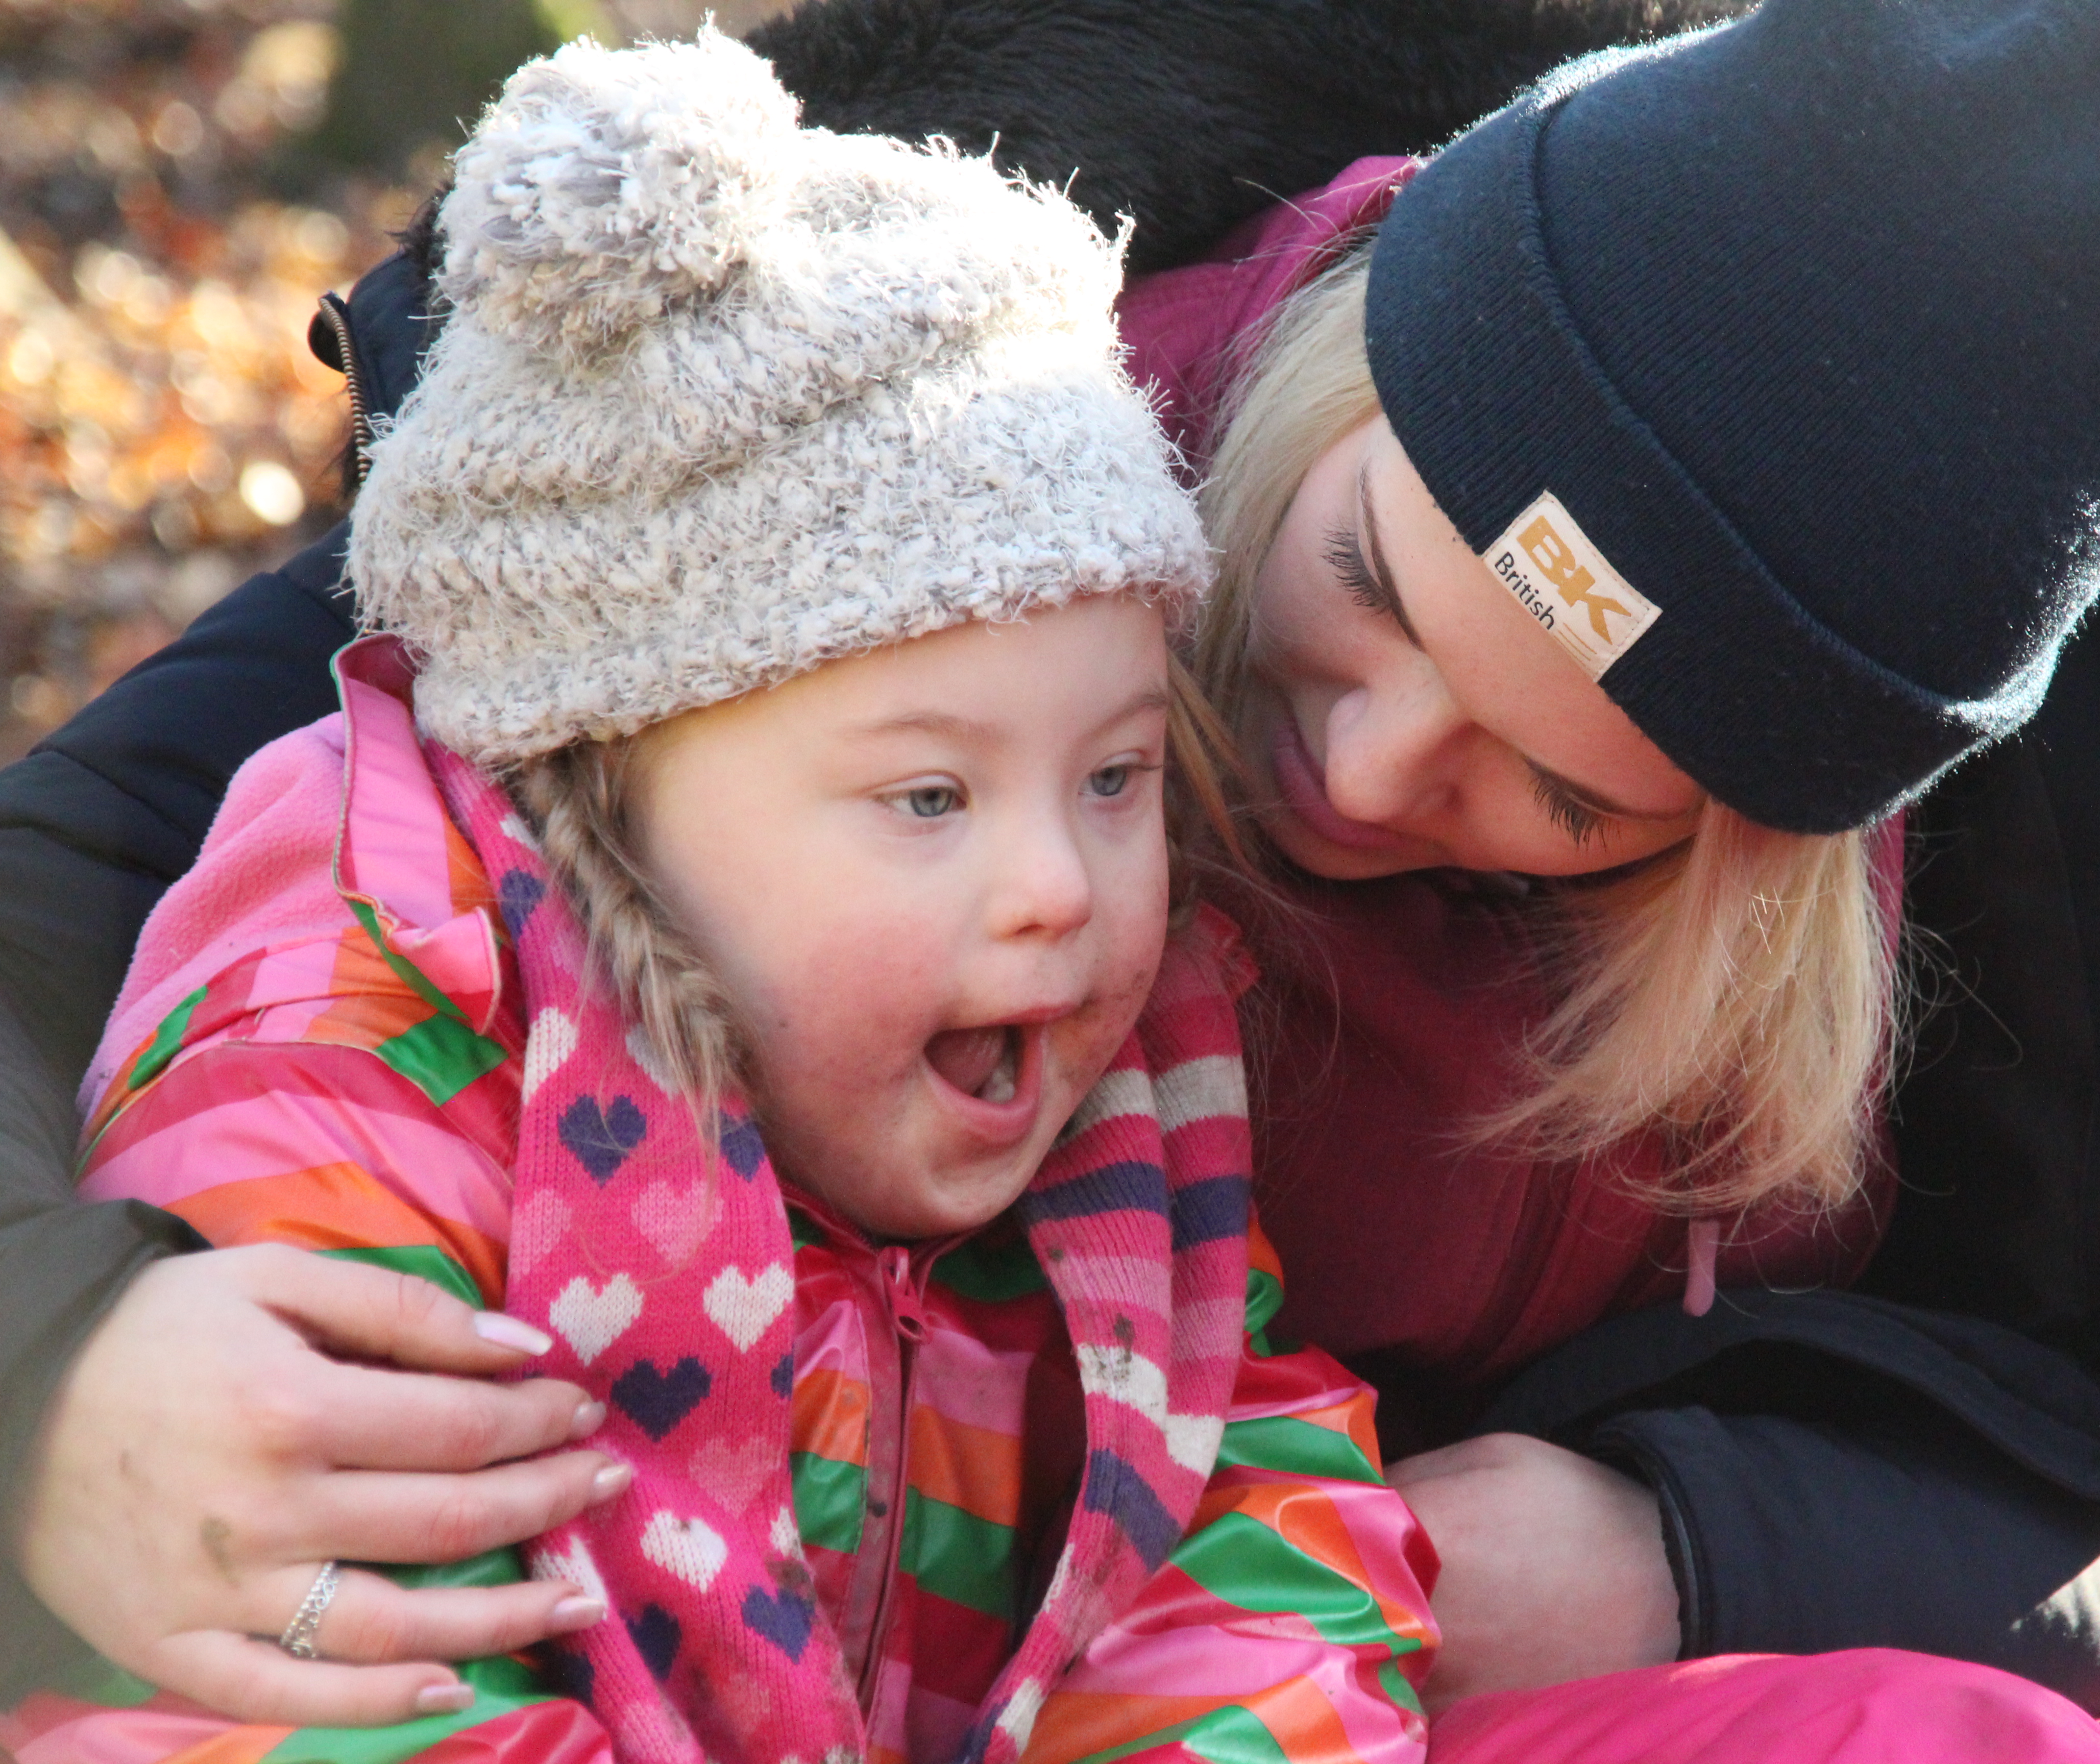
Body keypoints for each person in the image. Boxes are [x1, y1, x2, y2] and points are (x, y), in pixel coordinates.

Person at [0, 0, 2100, 1724]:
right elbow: (99, 871)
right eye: (1360, 586)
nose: (1357, 770)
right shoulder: (836, 470)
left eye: (1564, 796)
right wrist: (53, 1370)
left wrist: (1700, 1542)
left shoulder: (2032, 949)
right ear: (1339, 356)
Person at [2, 34, 1442, 1757]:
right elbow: (335, 1693)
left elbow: (1249, 1523)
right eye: (930, 795)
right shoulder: (361, 1064)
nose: (1061, 885)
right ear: (598, 790)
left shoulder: (1122, 1122)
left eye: (1117, 778)